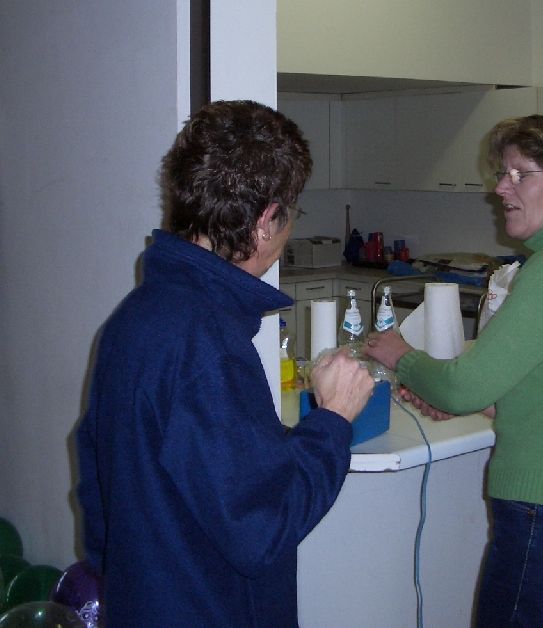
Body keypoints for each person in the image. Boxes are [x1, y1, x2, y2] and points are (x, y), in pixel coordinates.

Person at [76, 100, 374, 627]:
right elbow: (263, 528)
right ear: (264, 223)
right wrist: (332, 419)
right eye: (291, 214)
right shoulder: (207, 343)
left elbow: (99, 502)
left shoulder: (134, 317)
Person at [365, 113, 543, 628]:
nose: (501, 188)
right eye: (503, 173)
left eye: (520, 174)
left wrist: (399, 354)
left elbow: (463, 387)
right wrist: (480, 400)